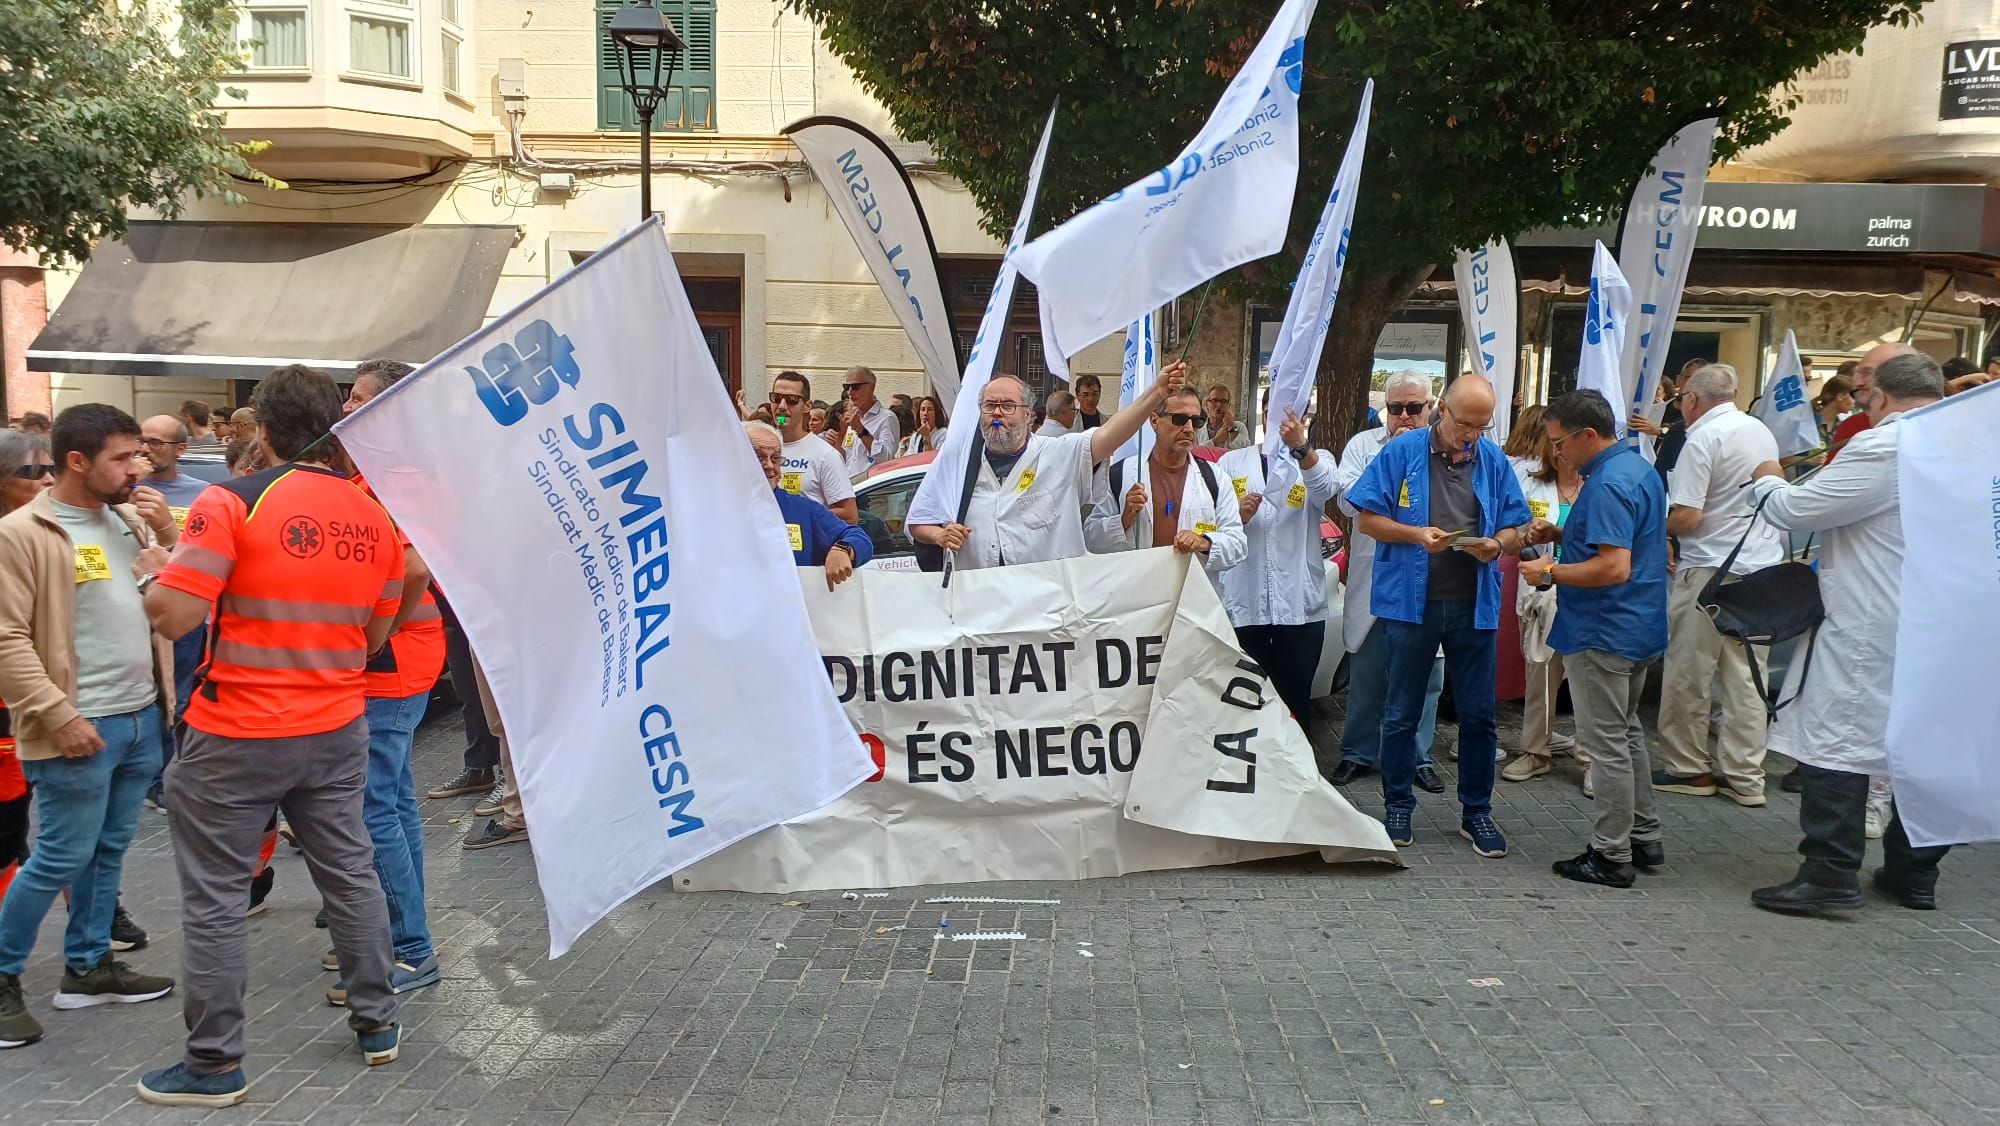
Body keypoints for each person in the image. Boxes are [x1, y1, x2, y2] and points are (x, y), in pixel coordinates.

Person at [141, 365, 407, 1104]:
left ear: (262, 431)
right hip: (336, 725)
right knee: (351, 875)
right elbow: (374, 632)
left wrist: (154, 571)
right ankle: (378, 1023)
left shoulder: (234, 501)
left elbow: (174, 617)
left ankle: (214, 1063)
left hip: (238, 732)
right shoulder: (372, 516)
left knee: (217, 898)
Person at [1746, 353, 1951, 916]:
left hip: (1871, 618)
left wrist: (1766, 482)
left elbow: (1798, 510)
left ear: (1881, 398)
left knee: (1840, 740)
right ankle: (1914, 874)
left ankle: (1830, 871)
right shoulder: (1966, 448)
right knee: (1923, 747)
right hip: (1939, 621)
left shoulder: (1887, 446)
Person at [0, 405, 178, 1052]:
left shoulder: (126, 519)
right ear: (77, 461)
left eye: (140, 453)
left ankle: (88, 966)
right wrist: (59, 713)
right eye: (123, 457)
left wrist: (167, 540)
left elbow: (166, 599)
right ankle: (3, 976)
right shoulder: (23, 532)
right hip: (78, 724)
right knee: (58, 858)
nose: (140, 466)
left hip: (136, 719)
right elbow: (6, 639)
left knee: (107, 852)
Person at [1344, 374, 1532, 857]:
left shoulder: (1491, 458)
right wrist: (1414, 535)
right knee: (1402, 710)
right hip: (1411, 603)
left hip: (1474, 603)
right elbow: (1365, 517)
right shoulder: (1402, 452)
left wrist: (1499, 543)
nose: (1471, 434)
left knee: (1478, 715)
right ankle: (1398, 806)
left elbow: (1517, 523)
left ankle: (1477, 812)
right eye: (1464, 423)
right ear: (1442, 409)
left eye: (1481, 426)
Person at [1521, 390, 1671, 887]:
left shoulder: (1607, 482)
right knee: (1626, 734)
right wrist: (1563, 537)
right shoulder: (1635, 469)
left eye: (1560, 442)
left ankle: (1611, 854)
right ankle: (1643, 836)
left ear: (1588, 435)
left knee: (1605, 742)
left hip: (1604, 629)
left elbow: (1612, 565)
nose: (1555, 453)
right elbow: (1621, 543)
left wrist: (1549, 573)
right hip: (1638, 622)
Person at [333, 359, 445, 1002]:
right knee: (394, 802)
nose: (344, 409)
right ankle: (397, 935)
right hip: (402, 657)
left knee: (376, 807)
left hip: (394, 662)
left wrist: (376, 636)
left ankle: (407, 948)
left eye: (356, 398)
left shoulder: (396, 478)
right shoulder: (384, 474)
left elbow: (414, 569)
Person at [1649, 363, 1784, 805]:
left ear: (1691, 398)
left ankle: (1689, 768)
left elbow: (1688, 516)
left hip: (1710, 568)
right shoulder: (1758, 429)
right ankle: (1746, 776)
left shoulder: (1701, 438)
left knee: (1690, 671)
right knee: (1747, 677)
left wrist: (1652, 529)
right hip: (1761, 567)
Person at [909, 362, 1186, 570]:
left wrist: (1157, 392)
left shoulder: (1059, 453)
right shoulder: (956, 460)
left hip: (1048, 616)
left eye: (1007, 406)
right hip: (979, 612)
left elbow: (1110, 434)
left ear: (1029, 415)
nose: (997, 412)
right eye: (989, 405)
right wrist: (940, 535)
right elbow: (919, 520)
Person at [1328, 371, 1447, 791]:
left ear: (1430, 408)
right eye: (1395, 409)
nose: (1404, 416)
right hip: (1376, 578)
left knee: (1426, 677)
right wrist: (1391, 457)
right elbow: (1347, 501)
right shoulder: (1364, 445)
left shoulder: (1444, 450)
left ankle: (1417, 757)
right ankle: (1357, 752)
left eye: (1414, 408)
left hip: (1426, 579)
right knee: (1367, 673)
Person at [1215, 397, 1336, 740]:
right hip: (1244, 603)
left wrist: (1302, 449)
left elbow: (1328, 489)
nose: (1284, 420)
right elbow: (1210, 525)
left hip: (1297, 606)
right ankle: (1247, 774)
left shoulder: (1316, 460)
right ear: (1263, 413)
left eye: (1296, 413)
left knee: (1294, 697)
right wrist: (1235, 517)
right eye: (1276, 411)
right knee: (1243, 699)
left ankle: (1298, 776)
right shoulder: (1231, 462)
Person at [1500, 406, 1586, 783]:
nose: (1559, 451)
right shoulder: (1530, 484)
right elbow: (1511, 536)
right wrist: (1526, 536)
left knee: (1586, 682)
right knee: (1541, 678)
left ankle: (1590, 761)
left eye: (1563, 443)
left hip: (1584, 593)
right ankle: (1536, 750)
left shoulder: (1598, 487)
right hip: (1540, 595)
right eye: (1553, 444)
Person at [1084, 386, 1248, 580]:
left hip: (1191, 599)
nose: (1188, 429)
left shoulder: (1216, 479)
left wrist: (1204, 543)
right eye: (1179, 419)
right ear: (1155, 421)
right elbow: (1090, 538)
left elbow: (1238, 544)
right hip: (1135, 597)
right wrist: (1124, 519)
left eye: (1196, 421)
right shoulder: (1121, 475)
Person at [136, 415, 214, 812]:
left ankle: (172, 775)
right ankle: (149, 778)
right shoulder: (123, 490)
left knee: (179, 694)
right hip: (131, 614)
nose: (146, 449)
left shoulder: (204, 493)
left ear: (181, 449)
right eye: (141, 441)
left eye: (156, 442)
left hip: (181, 610)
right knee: (144, 698)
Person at [0, 430, 56, 910]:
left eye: (50, 469)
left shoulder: (57, 529)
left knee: (56, 824)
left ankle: (98, 919)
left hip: (43, 699)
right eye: (31, 472)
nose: (46, 480)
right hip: (10, 705)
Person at [746, 422, 871, 584]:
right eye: (759, 457)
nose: (769, 465)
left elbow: (858, 538)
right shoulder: (712, 511)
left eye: (775, 458)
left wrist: (842, 550)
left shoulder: (802, 510)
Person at [768, 372, 858, 523]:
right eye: (776, 398)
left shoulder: (824, 454)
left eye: (792, 400)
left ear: (807, 406)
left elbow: (850, 515)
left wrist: (797, 513)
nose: (782, 406)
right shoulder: (758, 449)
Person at [1826, 342, 1917, 462]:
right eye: (1858, 373)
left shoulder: (1933, 423)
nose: (1858, 383)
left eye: (1868, 373)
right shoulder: (1851, 426)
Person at [832, 366, 900, 479]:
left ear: (871, 387)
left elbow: (887, 458)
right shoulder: (854, 417)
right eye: (846, 387)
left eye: (855, 387)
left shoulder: (887, 418)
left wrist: (861, 430)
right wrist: (836, 443)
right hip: (852, 487)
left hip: (872, 490)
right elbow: (850, 459)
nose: (850, 392)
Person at [1201, 384, 1252, 450]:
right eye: (1214, 400)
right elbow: (1194, 452)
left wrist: (1232, 428)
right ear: (1207, 404)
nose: (1219, 405)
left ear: (1229, 406)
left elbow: (1246, 451)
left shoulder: (1239, 427)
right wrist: (1215, 441)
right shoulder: (1199, 429)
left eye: (1223, 401)